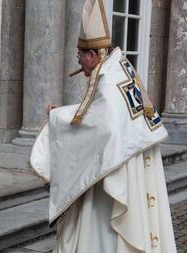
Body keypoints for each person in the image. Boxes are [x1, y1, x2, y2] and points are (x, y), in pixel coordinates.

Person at [30, 0, 177, 252]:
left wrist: (56, 117)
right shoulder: (119, 67)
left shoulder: (108, 80)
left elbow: (100, 126)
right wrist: (68, 113)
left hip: (120, 164)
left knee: (104, 232)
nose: (79, 62)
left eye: (79, 56)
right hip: (130, 156)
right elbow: (96, 112)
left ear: (91, 55)